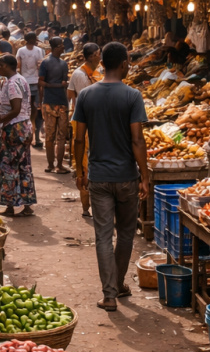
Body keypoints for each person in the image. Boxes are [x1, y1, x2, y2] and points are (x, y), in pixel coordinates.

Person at [72, 42, 148, 312]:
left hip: (99, 178)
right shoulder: (132, 96)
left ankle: (110, 295)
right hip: (126, 177)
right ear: (124, 63)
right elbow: (138, 140)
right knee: (126, 234)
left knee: (103, 236)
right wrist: (145, 176)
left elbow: (79, 138)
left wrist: (79, 171)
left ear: (102, 62)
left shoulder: (86, 95)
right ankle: (118, 282)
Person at [0, 55, 37, 217]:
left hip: (13, 128)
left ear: (9, 66)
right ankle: (27, 204)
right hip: (23, 126)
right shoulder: (20, 80)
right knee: (23, 165)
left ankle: (10, 205)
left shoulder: (12, 84)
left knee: (7, 166)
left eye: (1, 65)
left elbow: (15, 109)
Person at [67, 43, 101, 217]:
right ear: (94, 55)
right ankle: (88, 205)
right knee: (87, 163)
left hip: (83, 120)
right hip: (88, 122)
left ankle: (87, 206)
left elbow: (70, 94)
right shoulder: (83, 74)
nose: (100, 56)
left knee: (85, 163)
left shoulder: (81, 73)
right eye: (99, 53)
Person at [38, 37, 70, 173]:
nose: (63, 47)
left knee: (50, 136)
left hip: (49, 102)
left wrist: (41, 100)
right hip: (60, 102)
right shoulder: (62, 64)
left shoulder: (46, 63)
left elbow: (41, 83)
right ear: (56, 47)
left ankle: (51, 165)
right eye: (62, 45)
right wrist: (58, 85)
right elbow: (62, 83)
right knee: (60, 136)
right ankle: (58, 166)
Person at [16, 32, 46, 149]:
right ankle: (28, 134)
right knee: (27, 108)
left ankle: (34, 135)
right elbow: (19, 65)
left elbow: (39, 65)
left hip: (35, 81)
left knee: (35, 109)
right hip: (25, 82)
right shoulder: (21, 51)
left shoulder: (38, 50)